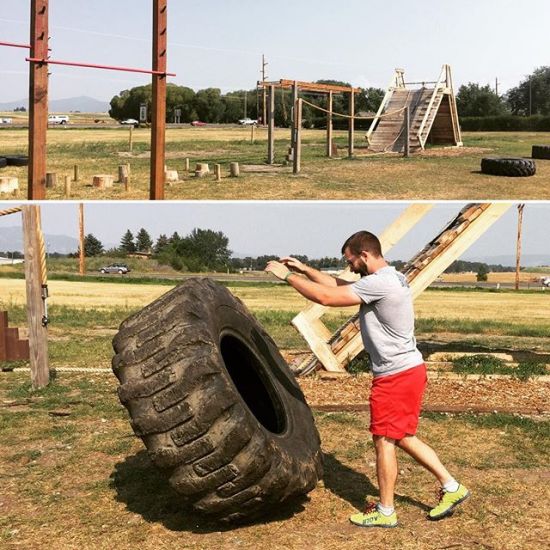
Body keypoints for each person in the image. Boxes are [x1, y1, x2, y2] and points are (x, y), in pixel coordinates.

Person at [265, 230, 469, 528]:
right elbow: (340, 285)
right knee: (401, 436)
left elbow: (327, 296)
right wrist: (305, 269)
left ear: (365, 255)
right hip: (407, 370)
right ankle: (452, 487)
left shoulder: (381, 283)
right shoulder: (388, 277)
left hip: (396, 375)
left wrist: (286, 277)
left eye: (351, 260)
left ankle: (386, 512)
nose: (350, 266)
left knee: (384, 439)